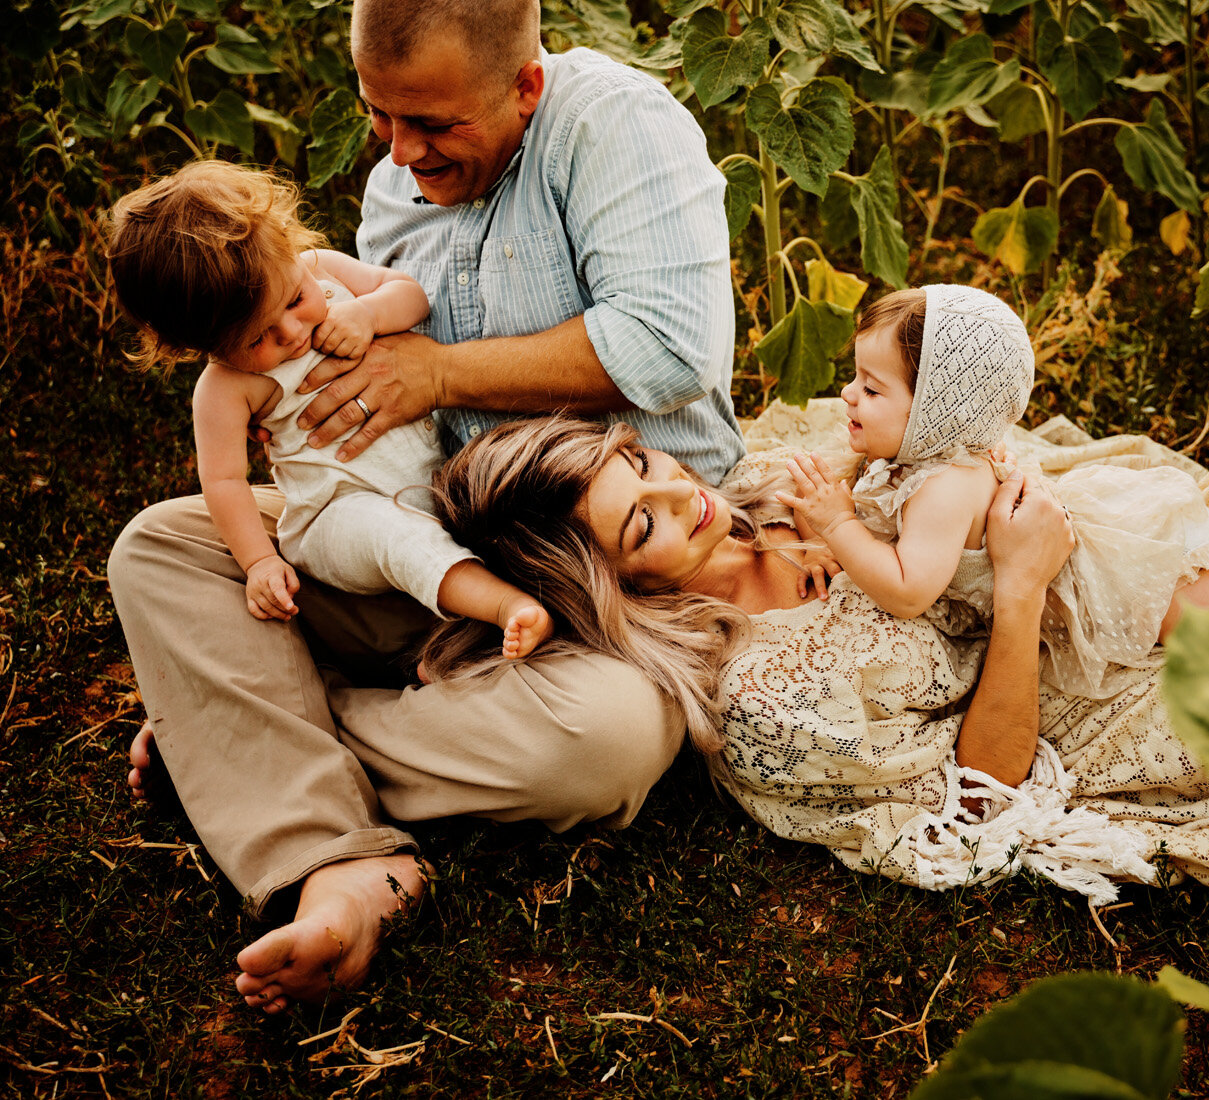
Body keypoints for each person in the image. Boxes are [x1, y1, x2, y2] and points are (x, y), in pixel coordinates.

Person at [109, 0, 742, 1014]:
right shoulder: (398, 185)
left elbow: (671, 349)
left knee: (607, 743)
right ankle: (340, 858)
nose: (403, 154)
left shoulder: (617, 125)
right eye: (381, 117)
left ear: (523, 87)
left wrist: (438, 371)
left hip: (616, 574)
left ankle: (250, 736)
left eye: (435, 125)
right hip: (432, 541)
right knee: (161, 548)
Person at [424, 340, 1209, 902]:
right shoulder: (766, 701)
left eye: (645, 467)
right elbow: (981, 799)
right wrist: (1023, 588)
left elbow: (917, 424)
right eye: (643, 526)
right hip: (1122, 703)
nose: (685, 498)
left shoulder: (765, 484)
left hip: (1148, 552)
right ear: (611, 586)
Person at [778, 285, 1209, 699]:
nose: (849, 396)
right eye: (855, 378)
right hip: (1076, 551)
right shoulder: (926, 453)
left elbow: (908, 590)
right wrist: (822, 529)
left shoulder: (942, 488)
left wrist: (839, 528)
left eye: (872, 388)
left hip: (1114, 575)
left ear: (938, 415)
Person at [107, 160, 552, 656]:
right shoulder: (226, 388)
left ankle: (453, 649)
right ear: (202, 345)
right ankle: (505, 608)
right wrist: (258, 562)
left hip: (433, 478)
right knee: (396, 539)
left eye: (295, 300)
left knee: (496, 502)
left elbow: (410, 295)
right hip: (336, 516)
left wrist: (368, 312)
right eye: (259, 338)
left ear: (288, 244)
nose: (292, 334)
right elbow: (225, 481)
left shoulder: (322, 269)